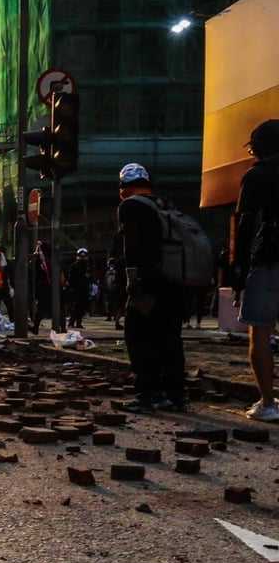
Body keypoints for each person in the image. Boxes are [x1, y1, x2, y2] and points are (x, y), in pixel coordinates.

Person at [117, 162, 188, 413]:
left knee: (137, 336)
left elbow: (132, 247)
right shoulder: (165, 205)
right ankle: (176, 395)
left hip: (149, 282)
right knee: (170, 338)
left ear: (123, 188)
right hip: (175, 282)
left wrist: (132, 282)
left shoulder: (131, 206)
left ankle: (148, 393)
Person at [231, 119, 279, 422]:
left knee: (260, 332)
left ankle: (268, 403)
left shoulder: (258, 175)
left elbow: (245, 223)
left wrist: (238, 265)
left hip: (270, 259)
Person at [66, 247, 92, 328]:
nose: (83, 257)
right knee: (76, 307)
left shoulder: (87, 266)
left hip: (85, 289)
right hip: (76, 289)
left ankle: (79, 323)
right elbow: (70, 278)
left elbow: (89, 277)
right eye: (81, 255)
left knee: (83, 307)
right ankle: (71, 323)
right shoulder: (74, 266)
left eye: (84, 255)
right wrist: (72, 287)